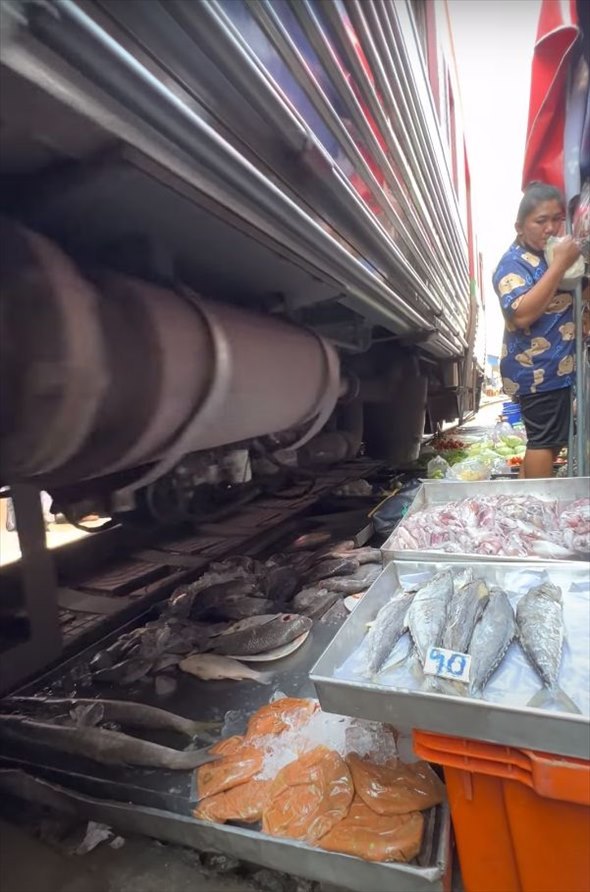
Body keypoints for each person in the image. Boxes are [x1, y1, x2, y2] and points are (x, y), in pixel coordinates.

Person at [493, 182, 582, 479]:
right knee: (544, 443)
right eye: (541, 221)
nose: (551, 227)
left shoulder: (549, 255)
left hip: (554, 370)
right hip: (537, 372)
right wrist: (559, 266)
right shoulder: (512, 264)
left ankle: (523, 504)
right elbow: (521, 315)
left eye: (557, 219)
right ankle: (533, 510)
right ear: (520, 227)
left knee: (549, 442)